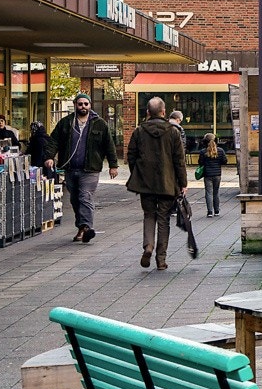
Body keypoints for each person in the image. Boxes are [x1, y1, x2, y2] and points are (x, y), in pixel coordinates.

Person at [46, 93, 120, 244]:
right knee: (75, 199)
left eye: (86, 104)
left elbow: (109, 145)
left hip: (90, 169)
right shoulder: (66, 123)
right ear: (75, 105)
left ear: (90, 105)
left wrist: (113, 165)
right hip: (71, 168)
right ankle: (81, 226)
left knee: (85, 196)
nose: (83, 107)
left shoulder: (99, 124)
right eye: (80, 104)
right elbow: (54, 141)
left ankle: (86, 227)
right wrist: (49, 157)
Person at [126, 96, 187, 270]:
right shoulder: (173, 132)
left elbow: (131, 155)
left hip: (145, 183)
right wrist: (183, 183)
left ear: (147, 112)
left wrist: (137, 173)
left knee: (149, 215)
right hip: (167, 184)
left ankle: (148, 246)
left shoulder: (139, 131)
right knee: (163, 219)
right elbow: (179, 160)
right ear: (163, 112)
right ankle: (161, 259)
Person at [197, 132, 226, 217]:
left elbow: (200, 162)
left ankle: (210, 211)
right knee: (216, 192)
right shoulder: (220, 151)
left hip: (207, 174)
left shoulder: (203, 151)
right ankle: (217, 210)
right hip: (217, 174)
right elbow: (225, 161)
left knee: (208, 193)